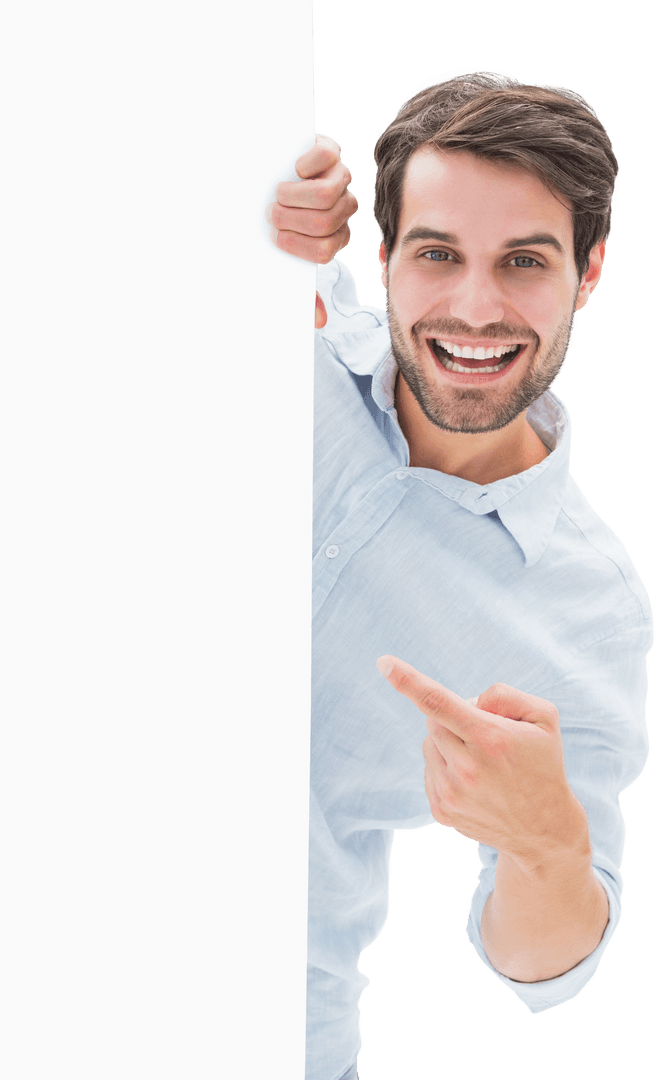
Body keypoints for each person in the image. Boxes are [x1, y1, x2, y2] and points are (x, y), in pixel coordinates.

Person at [267, 70, 652, 1080]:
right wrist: (242, 203)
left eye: (523, 261)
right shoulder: (279, 334)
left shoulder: (588, 608)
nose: (475, 310)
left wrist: (544, 847)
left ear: (587, 273)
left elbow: (544, 962)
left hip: (262, 1035)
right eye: (437, 254)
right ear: (382, 255)